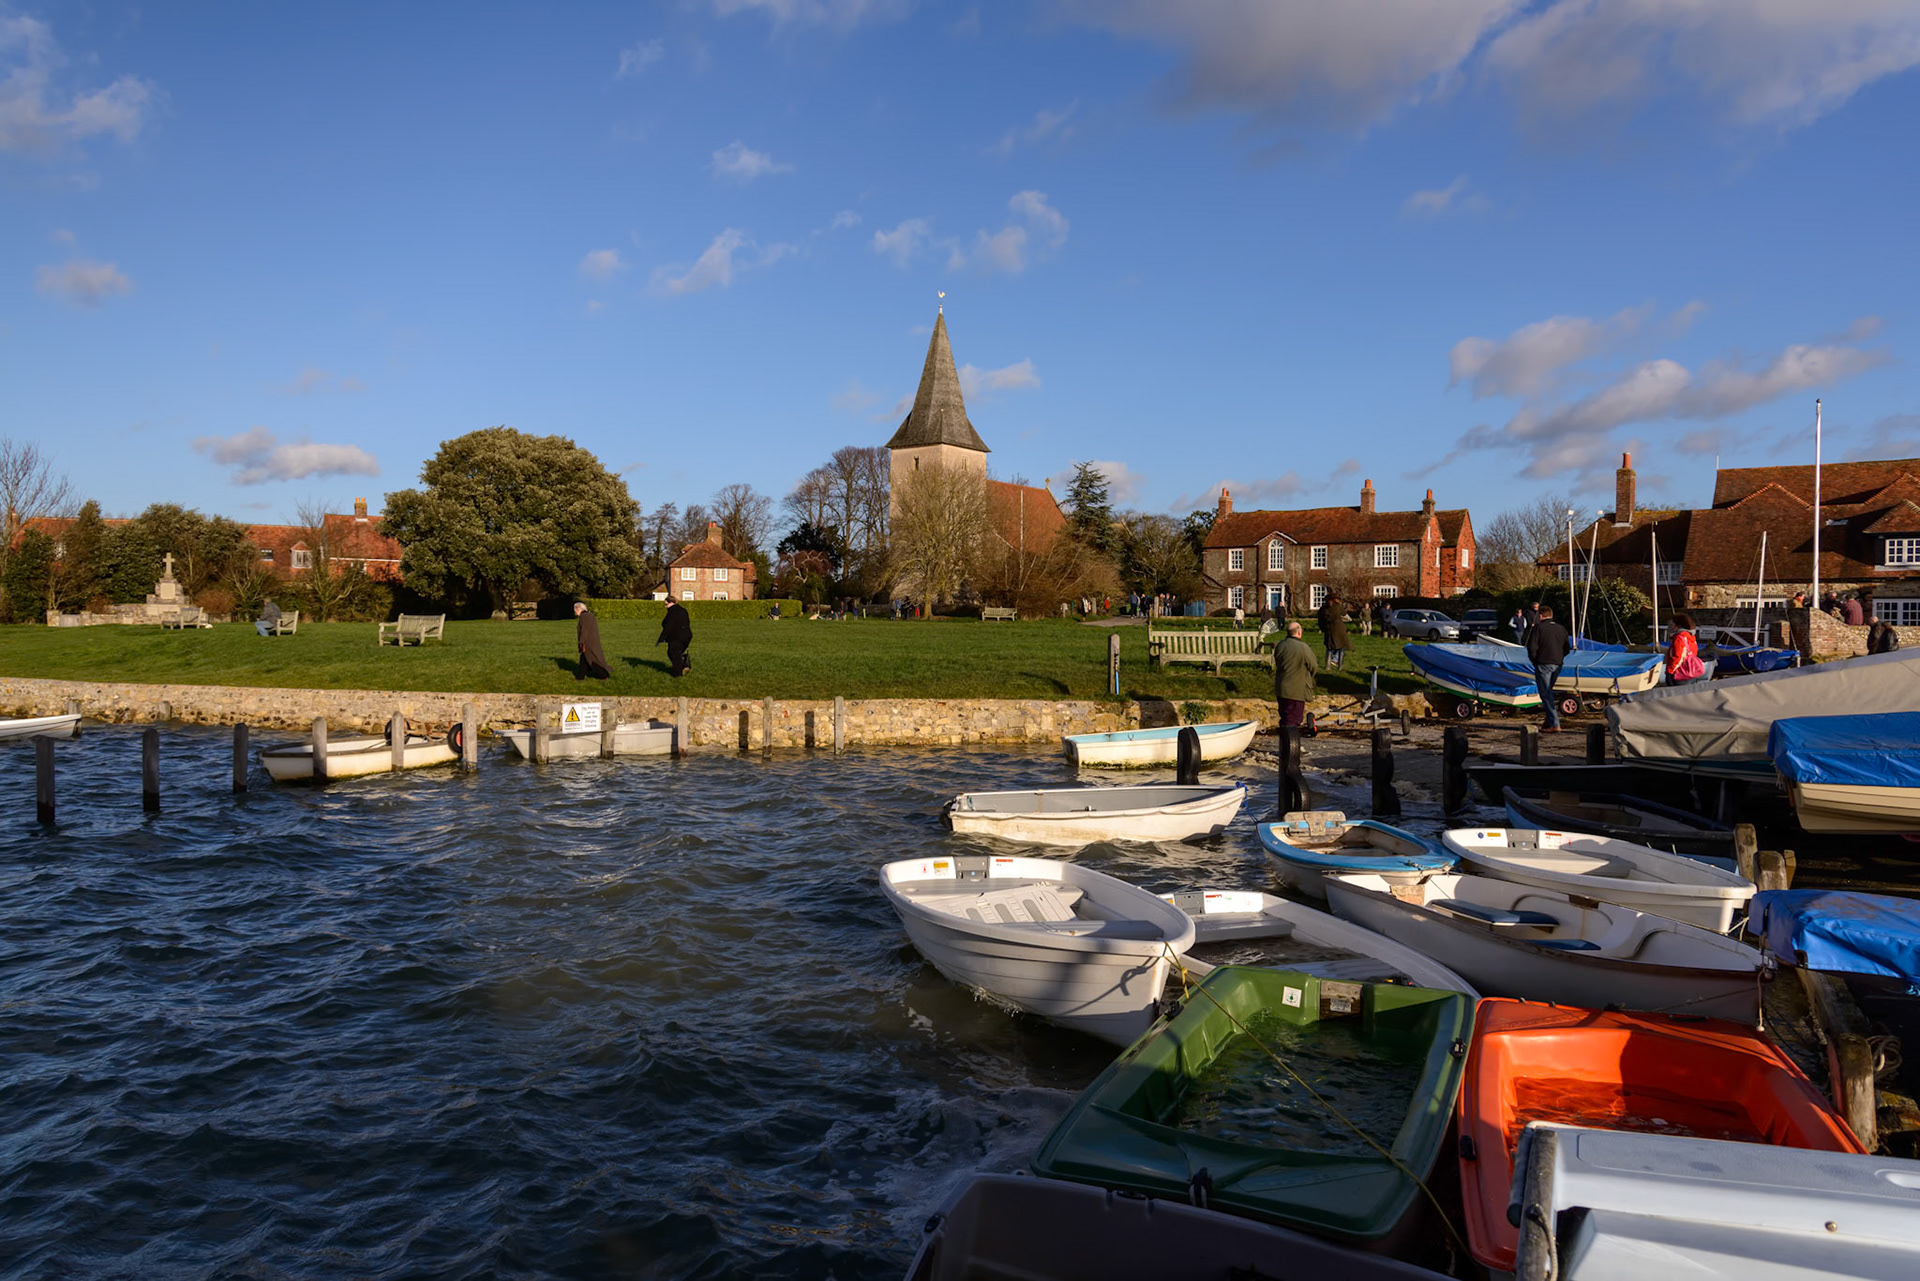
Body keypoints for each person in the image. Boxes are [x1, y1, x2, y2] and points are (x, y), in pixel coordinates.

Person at [1526, 604, 1571, 732]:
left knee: (1545, 694)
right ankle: (1548, 721)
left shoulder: (1538, 628)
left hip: (1543, 663)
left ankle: (1554, 724)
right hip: (1557, 664)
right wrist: (1559, 658)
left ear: (1540, 616)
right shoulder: (1561, 629)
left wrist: (1535, 660)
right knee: (1548, 692)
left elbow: (1532, 647)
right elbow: (1566, 648)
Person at [1273, 620, 1318, 728]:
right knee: (1293, 720)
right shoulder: (1303, 648)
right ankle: (1290, 743)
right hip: (1296, 690)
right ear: (1298, 632)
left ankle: (1283, 742)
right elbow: (1314, 666)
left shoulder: (1280, 646)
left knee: (1284, 717)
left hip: (1281, 687)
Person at [1664, 612, 1707, 686]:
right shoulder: (1691, 638)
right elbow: (1694, 653)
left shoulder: (1679, 638)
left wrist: (1669, 672)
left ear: (1677, 626)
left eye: (1672, 624)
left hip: (1679, 674)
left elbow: (1677, 657)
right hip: (1691, 673)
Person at [573, 601, 612, 680]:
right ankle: (580, 677)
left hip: (588, 643)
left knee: (593, 660)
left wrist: (581, 641)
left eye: (575, 610)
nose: (575, 612)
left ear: (578, 609)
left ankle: (604, 674)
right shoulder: (588, 616)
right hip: (590, 642)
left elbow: (585, 631)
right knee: (584, 659)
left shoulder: (585, 617)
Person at [657, 598, 693, 676]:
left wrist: (662, 637)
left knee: (673, 653)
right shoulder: (683, 610)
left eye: (666, 604)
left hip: (676, 636)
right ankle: (685, 664)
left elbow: (669, 625)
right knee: (676, 653)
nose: (666, 607)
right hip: (687, 635)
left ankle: (677, 674)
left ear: (672, 602)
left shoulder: (672, 612)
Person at [1318, 594, 1350, 669]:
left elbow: (1320, 620)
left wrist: (1323, 628)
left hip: (1328, 629)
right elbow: (1346, 617)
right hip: (1339, 629)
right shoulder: (1338, 607)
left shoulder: (1323, 609)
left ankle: (1327, 666)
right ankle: (1340, 666)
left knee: (1329, 648)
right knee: (1342, 647)